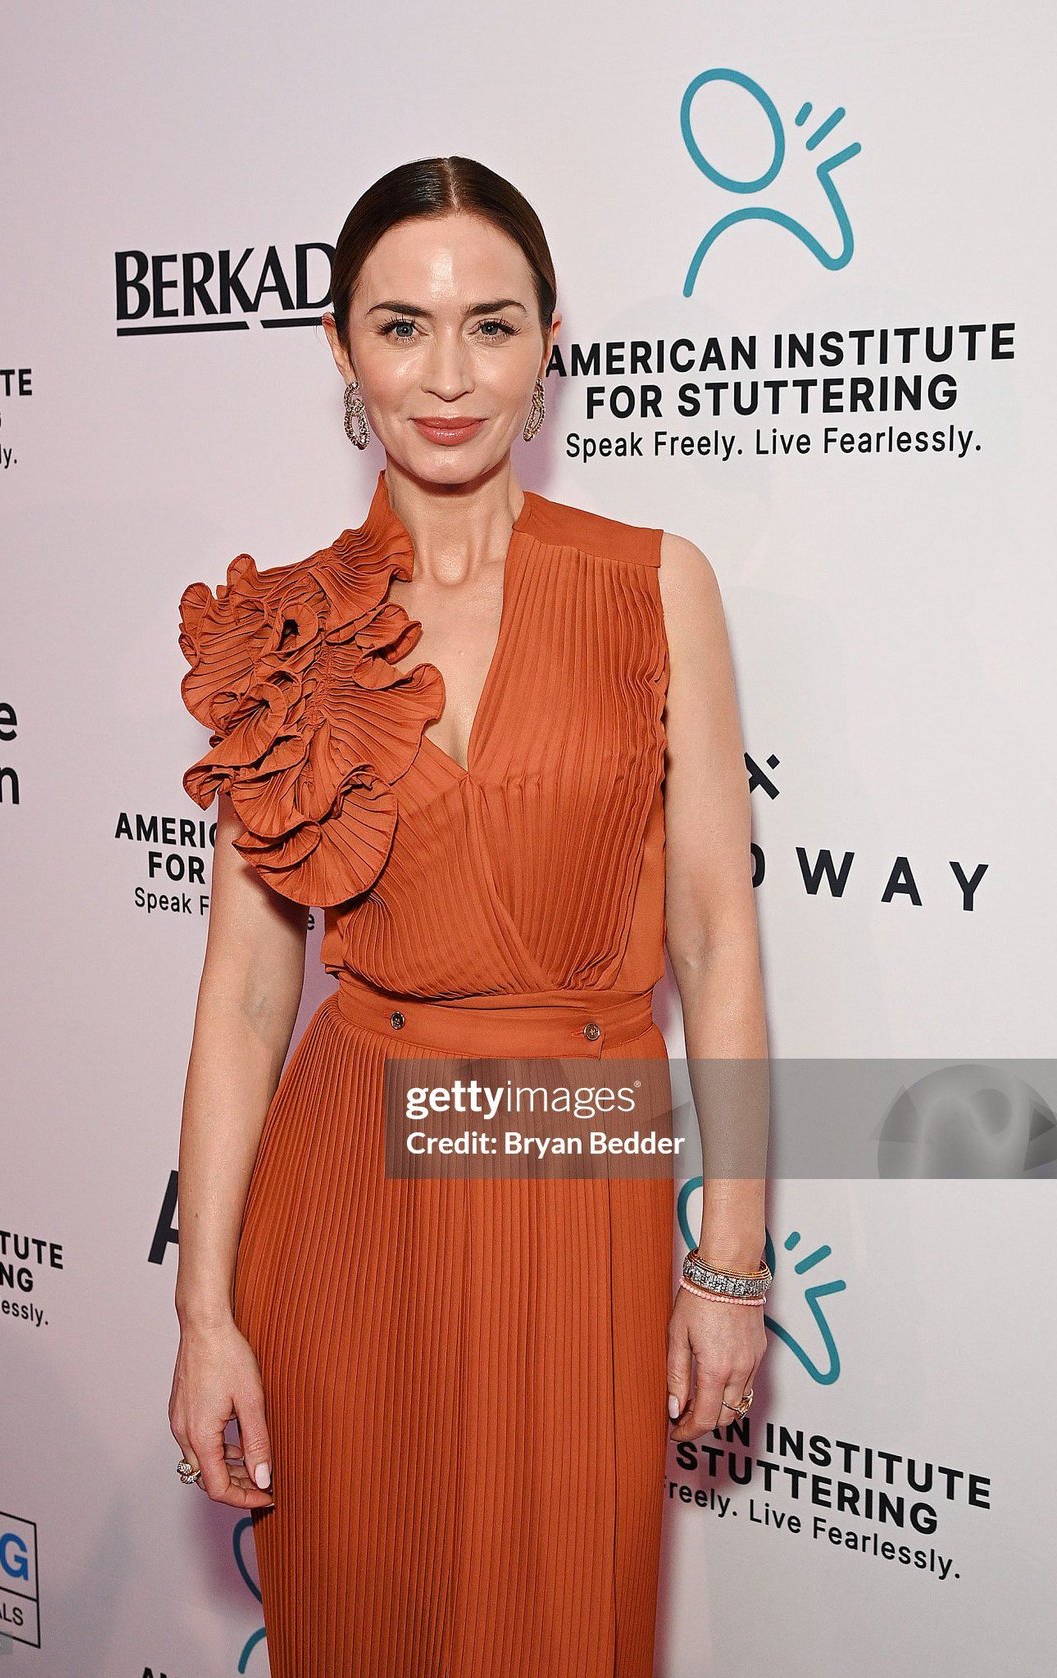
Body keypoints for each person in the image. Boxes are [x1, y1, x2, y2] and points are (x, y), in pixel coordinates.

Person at [168, 155, 770, 1678]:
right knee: (361, 1616)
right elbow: (248, 995)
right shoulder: (283, 625)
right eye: (403, 326)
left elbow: (716, 939)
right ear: (341, 346)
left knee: (561, 1615)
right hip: (349, 1192)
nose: (448, 377)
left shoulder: (654, 585)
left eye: (491, 325)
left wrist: (730, 1264)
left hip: (580, 1165)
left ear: (549, 340)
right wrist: (203, 1311)